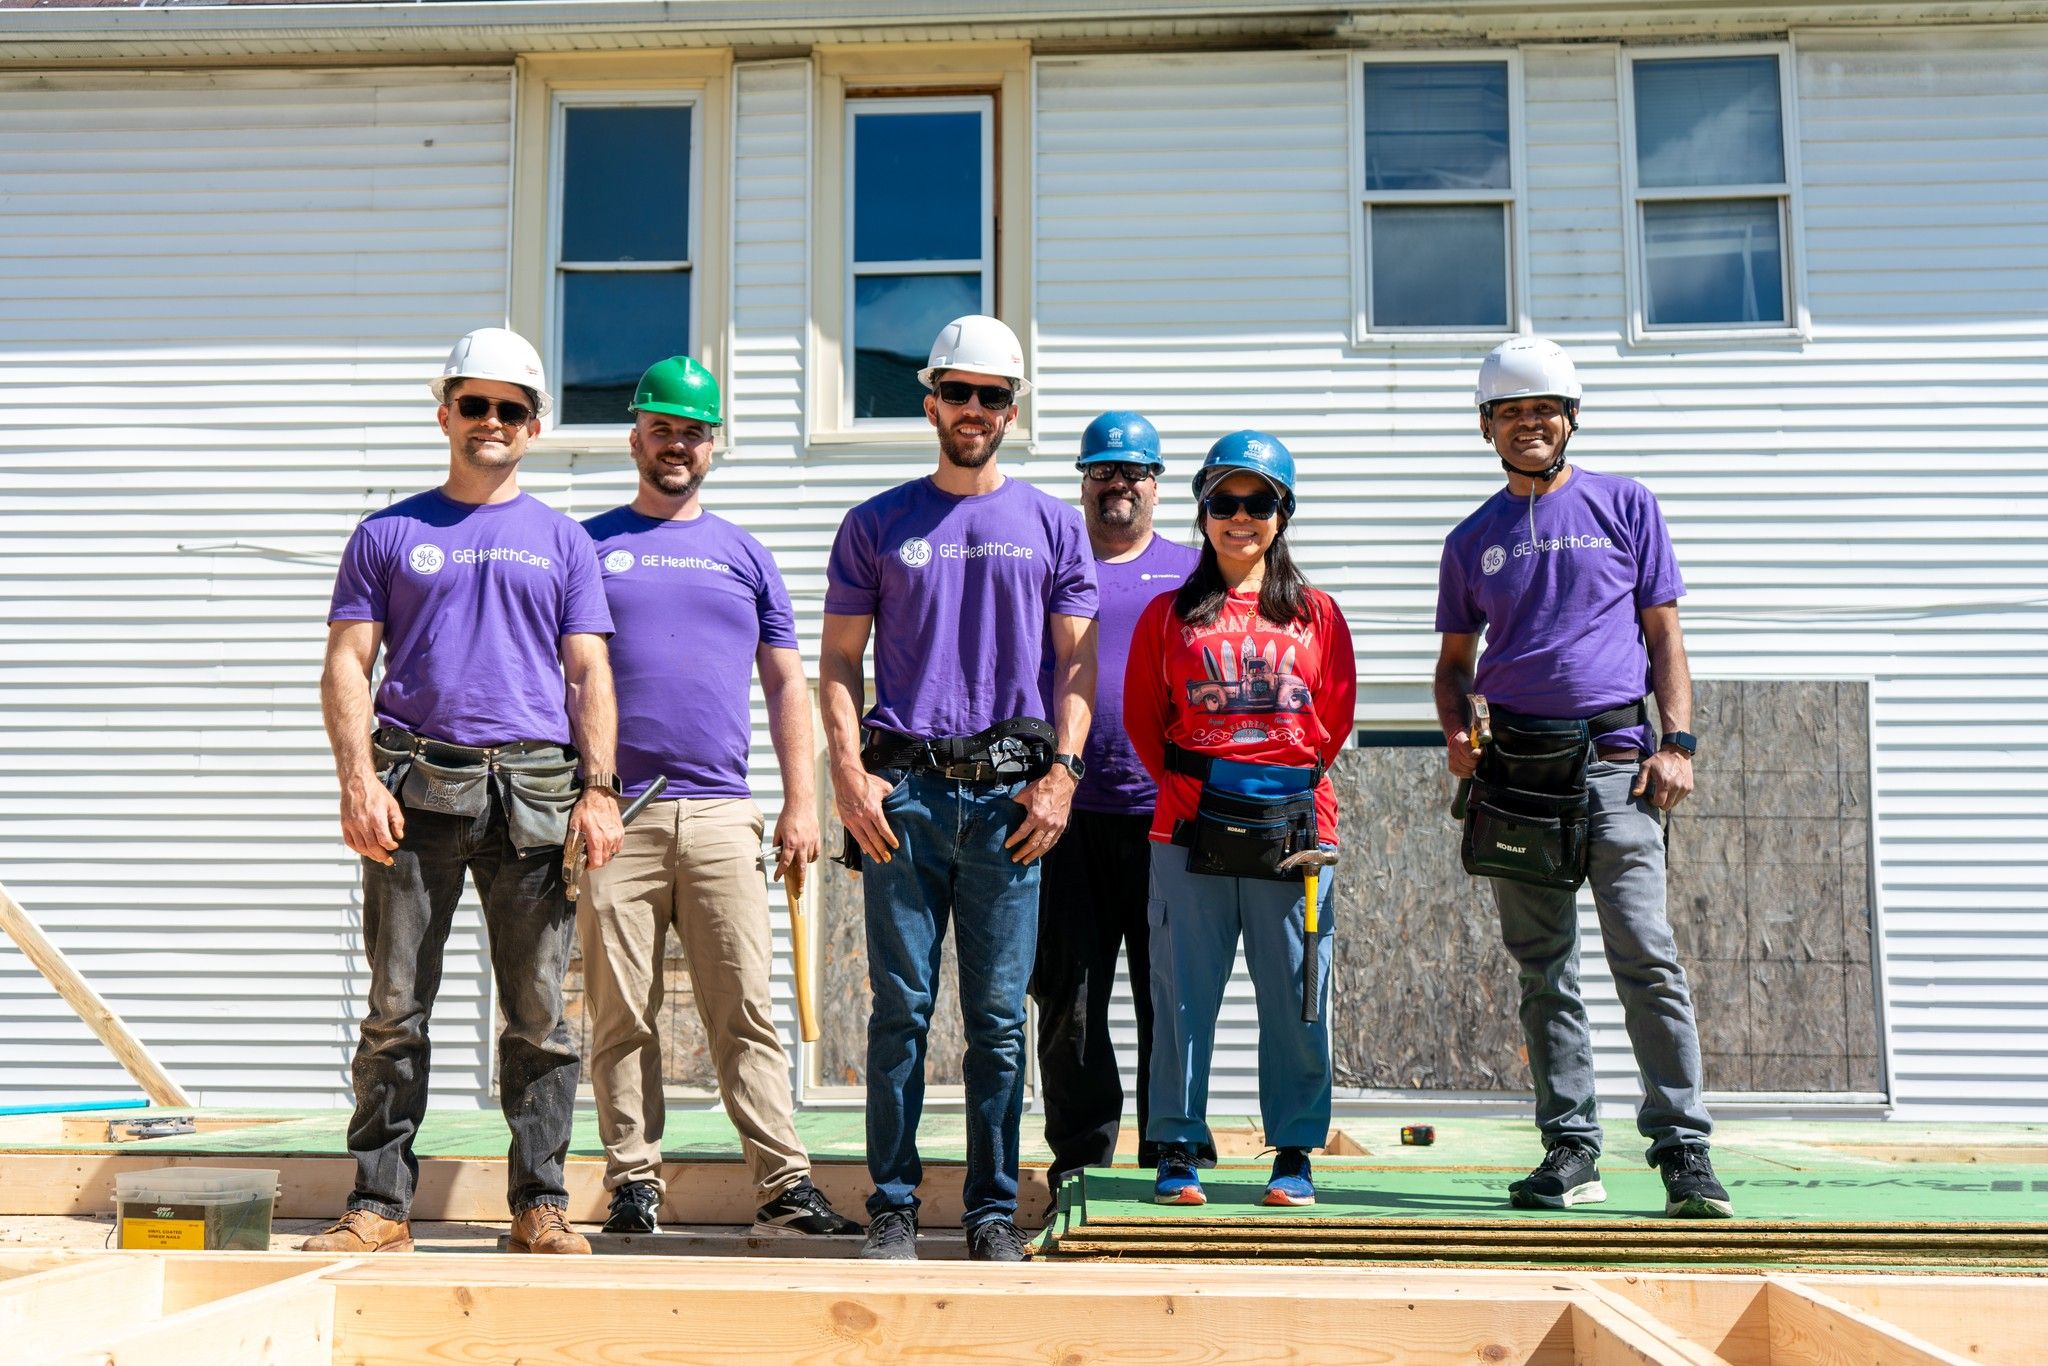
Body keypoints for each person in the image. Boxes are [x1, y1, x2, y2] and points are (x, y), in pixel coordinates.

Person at [309, 327, 623, 1256]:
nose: (492, 422)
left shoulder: (564, 541)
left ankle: (540, 1203)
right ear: (446, 411)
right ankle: (379, 1205)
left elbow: (589, 672)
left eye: (511, 409)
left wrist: (599, 790)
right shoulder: (387, 533)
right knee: (395, 1009)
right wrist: (357, 779)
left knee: (540, 1016)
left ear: (535, 426)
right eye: (476, 404)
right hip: (414, 788)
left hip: (534, 790)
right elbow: (347, 663)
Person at [820, 315, 1099, 1262]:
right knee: (899, 1009)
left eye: (992, 395)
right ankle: (892, 1205)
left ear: (1011, 410)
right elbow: (836, 665)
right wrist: (847, 775)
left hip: (1012, 803)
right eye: (958, 392)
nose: (973, 409)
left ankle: (990, 1213)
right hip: (903, 797)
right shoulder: (876, 524)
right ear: (930, 398)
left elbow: (1075, 669)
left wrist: (1062, 778)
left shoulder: (1055, 525)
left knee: (996, 1021)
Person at [1433, 335, 1731, 1219]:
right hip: (1517, 778)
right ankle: (1572, 1150)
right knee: (1543, 969)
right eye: (1512, 413)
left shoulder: (1624, 505)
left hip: (1615, 767)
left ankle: (1684, 1152)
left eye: (1545, 411)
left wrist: (1677, 742)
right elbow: (1455, 663)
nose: (1530, 426)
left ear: (1569, 420)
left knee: (1648, 959)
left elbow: (1665, 637)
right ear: (1488, 427)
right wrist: (1457, 728)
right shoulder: (1471, 540)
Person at [579, 356, 862, 1240]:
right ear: (636, 435)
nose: (677, 444)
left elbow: (787, 685)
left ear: (713, 446)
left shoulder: (745, 555)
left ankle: (783, 1187)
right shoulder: (585, 546)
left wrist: (801, 803)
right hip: (614, 815)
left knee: (744, 1006)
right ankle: (633, 1183)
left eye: (694, 432)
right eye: (662, 427)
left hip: (722, 812)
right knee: (620, 1010)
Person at [1125, 431, 1356, 1209]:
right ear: (1201, 513)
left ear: (1282, 514)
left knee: (1296, 993)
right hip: (1188, 829)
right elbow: (1141, 720)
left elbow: (1333, 721)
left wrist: (1279, 791)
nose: (1240, 517)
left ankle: (1294, 1151)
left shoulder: (1318, 615)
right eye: (1224, 502)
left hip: (1295, 832)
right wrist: (1202, 786)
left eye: (1257, 502)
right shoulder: (1167, 616)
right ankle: (1176, 1147)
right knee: (1183, 995)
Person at [1031, 412, 1201, 1185]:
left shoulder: (1194, 572)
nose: (1118, 484)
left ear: (1156, 486)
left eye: (1134, 471)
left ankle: (1173, 1146)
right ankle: (1081, 1160)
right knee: (1071, 1000)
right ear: (1083, 482)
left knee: (1170, 995)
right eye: (1103, 471)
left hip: (1166, 818)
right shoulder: (1047, 564)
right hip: (1061, 817)